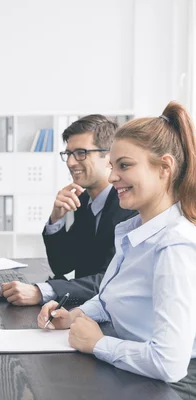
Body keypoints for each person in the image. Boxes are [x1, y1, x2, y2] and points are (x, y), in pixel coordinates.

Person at [38, 102, 196, 399]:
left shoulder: (174, 246)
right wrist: (75, 315)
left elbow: (170, 364)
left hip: (169, 386)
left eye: (124, 166)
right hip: (135, 369)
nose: (112, 178)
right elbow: (112, 297)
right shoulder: (136, 230)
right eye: (112, 166)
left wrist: (98, 344)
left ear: (165, 168)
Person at [0, 115, 136, 307]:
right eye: (68, 154)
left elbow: (113, 278)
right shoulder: (83, 199)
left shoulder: (129, 205)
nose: (71, 162)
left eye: (81, 153)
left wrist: (42, 291)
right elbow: (63, 265)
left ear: (109, 156)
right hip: (84, 311)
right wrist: (57, 219)